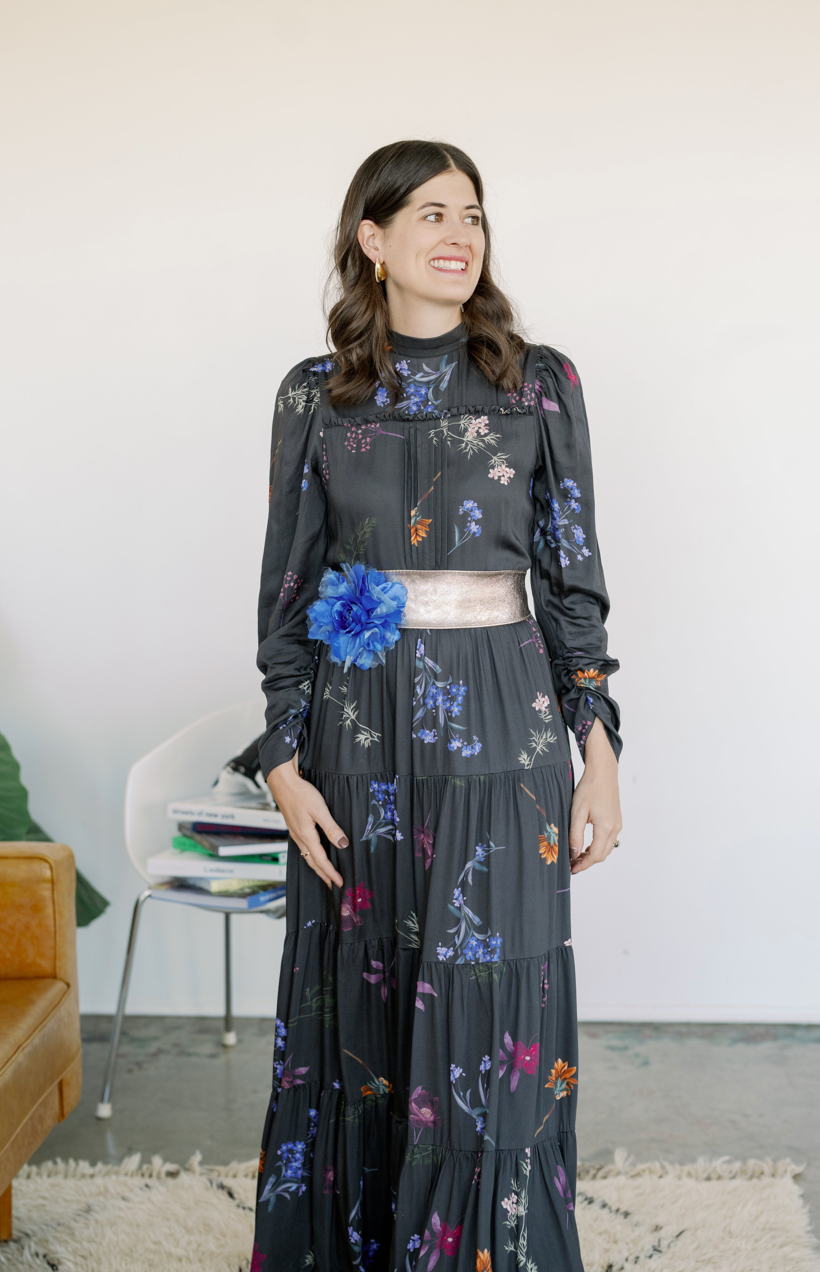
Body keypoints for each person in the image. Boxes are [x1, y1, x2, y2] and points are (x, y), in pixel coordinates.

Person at [252, 139, 622, 1272]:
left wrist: (599, 752)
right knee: (362, 1018)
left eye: (472, 214)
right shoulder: (314, 394)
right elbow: (289, 590)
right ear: (373, 240)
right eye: (430, 214)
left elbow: (572, 583)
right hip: (356, 737)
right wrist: (282, 762)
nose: (459, 234)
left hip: (505, 733)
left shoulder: (539, 382)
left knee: (491, 1014)